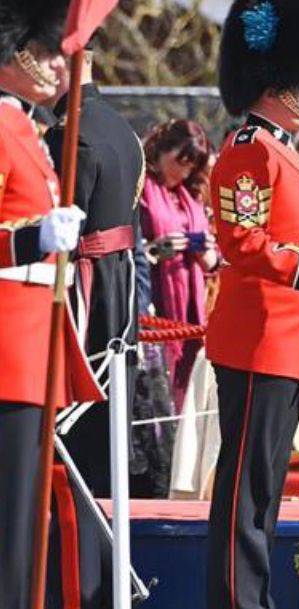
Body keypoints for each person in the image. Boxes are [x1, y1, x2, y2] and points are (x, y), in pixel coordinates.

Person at [204, 1, 299, 608]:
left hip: (287, 342)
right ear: (278, 87)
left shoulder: (279, 148)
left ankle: (254, 595)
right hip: (261, 339)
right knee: (246, 490)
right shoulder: (251, 150)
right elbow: (240, 241)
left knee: (264, 489)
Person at [0, 4, 104, 607]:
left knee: (25, 517)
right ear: (13, 54)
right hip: (10, 347)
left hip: (35, 345)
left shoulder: (26, 129)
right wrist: (29, 237)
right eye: (43, 55)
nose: (54, 69)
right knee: (10, 515)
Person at [43, 36, 147, 607]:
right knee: (97, 452)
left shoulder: (72, 132)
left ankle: (81, 584)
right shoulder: (121, 126)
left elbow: (64, 228)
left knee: (71, 452)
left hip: (87, 295)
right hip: (119, 291)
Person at [139, 119, 217, 413]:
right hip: (156, 297)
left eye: (191, 166)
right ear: (161, 150)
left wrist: (208, 254)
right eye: (180, 162)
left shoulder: (191, 194)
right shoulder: (141, 188)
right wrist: (156, 249)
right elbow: (133, 248)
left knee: (191, 383)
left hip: (193, 303)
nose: (183, 171)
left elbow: (215, 259)